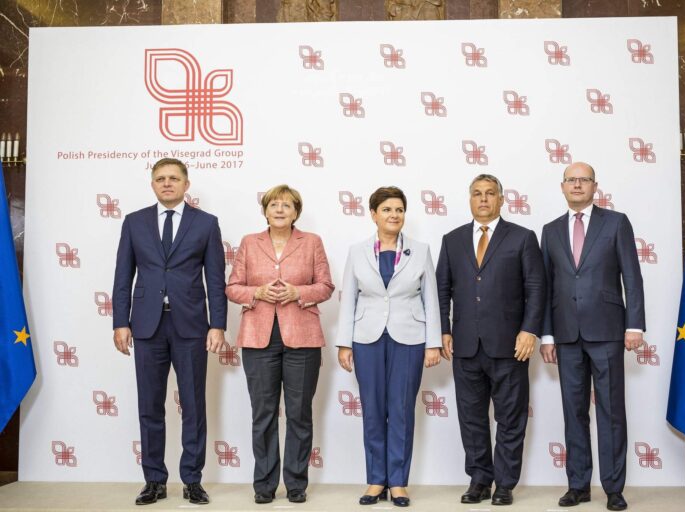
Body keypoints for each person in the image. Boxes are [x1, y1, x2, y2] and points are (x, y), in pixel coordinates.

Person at [112, 158, 227, 506]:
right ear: (152, 184)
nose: (167, 183)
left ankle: (192, 480)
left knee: (193, 405)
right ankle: (154, 480)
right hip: (147, 326)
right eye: (160, 178)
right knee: (150, 406)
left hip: (191, 326)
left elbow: (216, 280)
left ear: (186, 184)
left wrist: (218, 325)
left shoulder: (206, 223)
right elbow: (122, 276)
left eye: (174, 178)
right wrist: (120, 322)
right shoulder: (134, 222)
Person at [539, 162, 645, 512]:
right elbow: (546, 286)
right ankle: (578, 485)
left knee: (611, 412)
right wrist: (547, 334)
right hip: (566, 334)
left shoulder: (616, 223)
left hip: (608, 331)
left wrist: (635, 325)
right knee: (574, 412)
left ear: (594, 186)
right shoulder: (550, 230)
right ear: (562, 186)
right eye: (571, 180)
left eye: (584, 180)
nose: (577, 185)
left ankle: (613, 488)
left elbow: (632, 276)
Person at [436, 173, 545, 506]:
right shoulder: (452, 240)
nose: (483, 199)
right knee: (471, 418)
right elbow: (442, 290)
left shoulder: (523, 238)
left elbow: (536, 288)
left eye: (489, 193)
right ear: (470, 199)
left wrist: (529, 330)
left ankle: (505, 484)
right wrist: (444, 330)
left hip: (510, 346)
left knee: (510, 418)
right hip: (465, 346)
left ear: (501, 199)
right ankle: (480, 480)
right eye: (477, 193)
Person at [225, 185, 334, 505]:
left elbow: (326, 286)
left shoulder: (311, 242)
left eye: (287, 205)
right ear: (265, 211)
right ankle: (264, 484)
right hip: (258, 338)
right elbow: (233, 287)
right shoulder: (250, 242)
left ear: (296, 211)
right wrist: (256, 292)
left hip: (302, 337)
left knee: (299, 414)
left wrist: (298, 292)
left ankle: (296, 483)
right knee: (264, 414)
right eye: (274, 204)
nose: (280, 209)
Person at [337, 186, 441, 508]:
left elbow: (431, 298)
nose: (394, 215)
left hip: (410, 338)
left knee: (401, 410)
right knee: (372, 409)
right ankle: (376, 480)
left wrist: (433, 343)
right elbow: (349, 298)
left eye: (399, 209)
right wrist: (344, 343)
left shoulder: (420, 251)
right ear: (373, 214)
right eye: (386, 209)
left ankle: (397, 482)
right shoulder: (357, 251)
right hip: (366, 337)